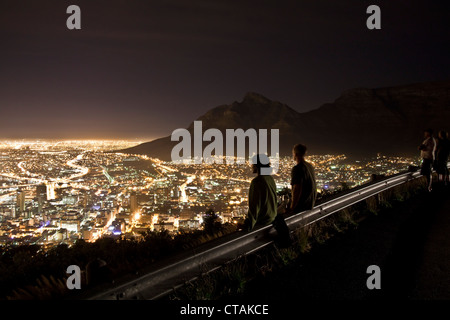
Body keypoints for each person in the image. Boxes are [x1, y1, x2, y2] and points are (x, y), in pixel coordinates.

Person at [243, 154, 292, 247]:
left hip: (263, 219)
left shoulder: (256, 182)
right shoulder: (270, 179)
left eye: (253, 164)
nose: (251, 166)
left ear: (257, 166)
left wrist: (248, 224)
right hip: (272, 217)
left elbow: (254, 205)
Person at [287, 144, 317, 214]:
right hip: (310, 204)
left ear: (295, 154)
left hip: (302, 206)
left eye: (293, 153)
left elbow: (297, 189)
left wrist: (292, 207)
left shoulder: (297, 168)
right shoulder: (310, 166)